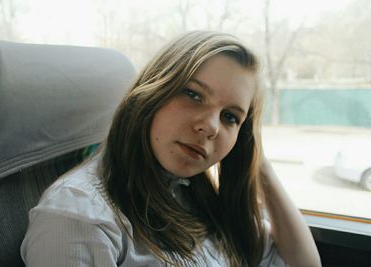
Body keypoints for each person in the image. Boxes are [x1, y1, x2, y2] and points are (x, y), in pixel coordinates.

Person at [21, 31, 321, 267]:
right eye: (193, 94)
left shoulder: (192, 193)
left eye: (230, 117)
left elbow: (303, 263)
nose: (210, 127)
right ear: (153, 91)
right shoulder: (80, 217)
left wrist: (255, 158)